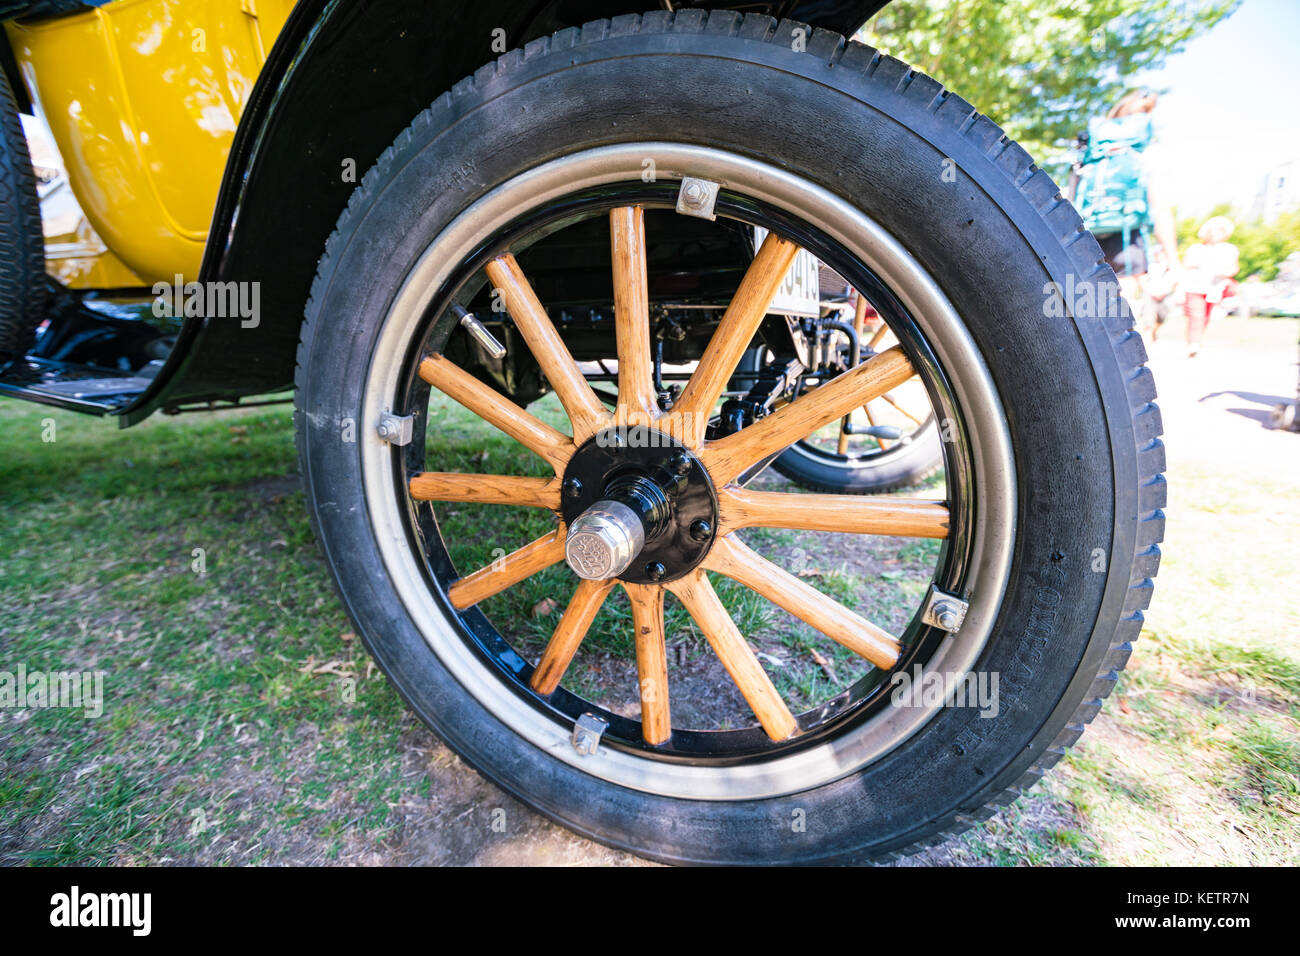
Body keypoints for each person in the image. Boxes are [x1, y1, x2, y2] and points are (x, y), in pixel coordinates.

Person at [1072, 89, 1180, 334]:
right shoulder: (1143, 154)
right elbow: (1161, 208)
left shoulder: (1092, 153)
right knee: (1124, 311)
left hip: (1086, 234)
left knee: (1086, 308)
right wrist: (1173, 259)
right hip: (1126, 236)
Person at [1180, 216, 1239, 357]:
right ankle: (1193, 343)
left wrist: (1223, 272)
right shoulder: (1197, 249)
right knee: (1196, 315)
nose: (1214, 234)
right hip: (1195, 286)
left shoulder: (1229, 250)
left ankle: (1197, 341)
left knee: (1206, 316)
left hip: (1215, 287)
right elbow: (1186, 265)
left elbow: (1234, 268)